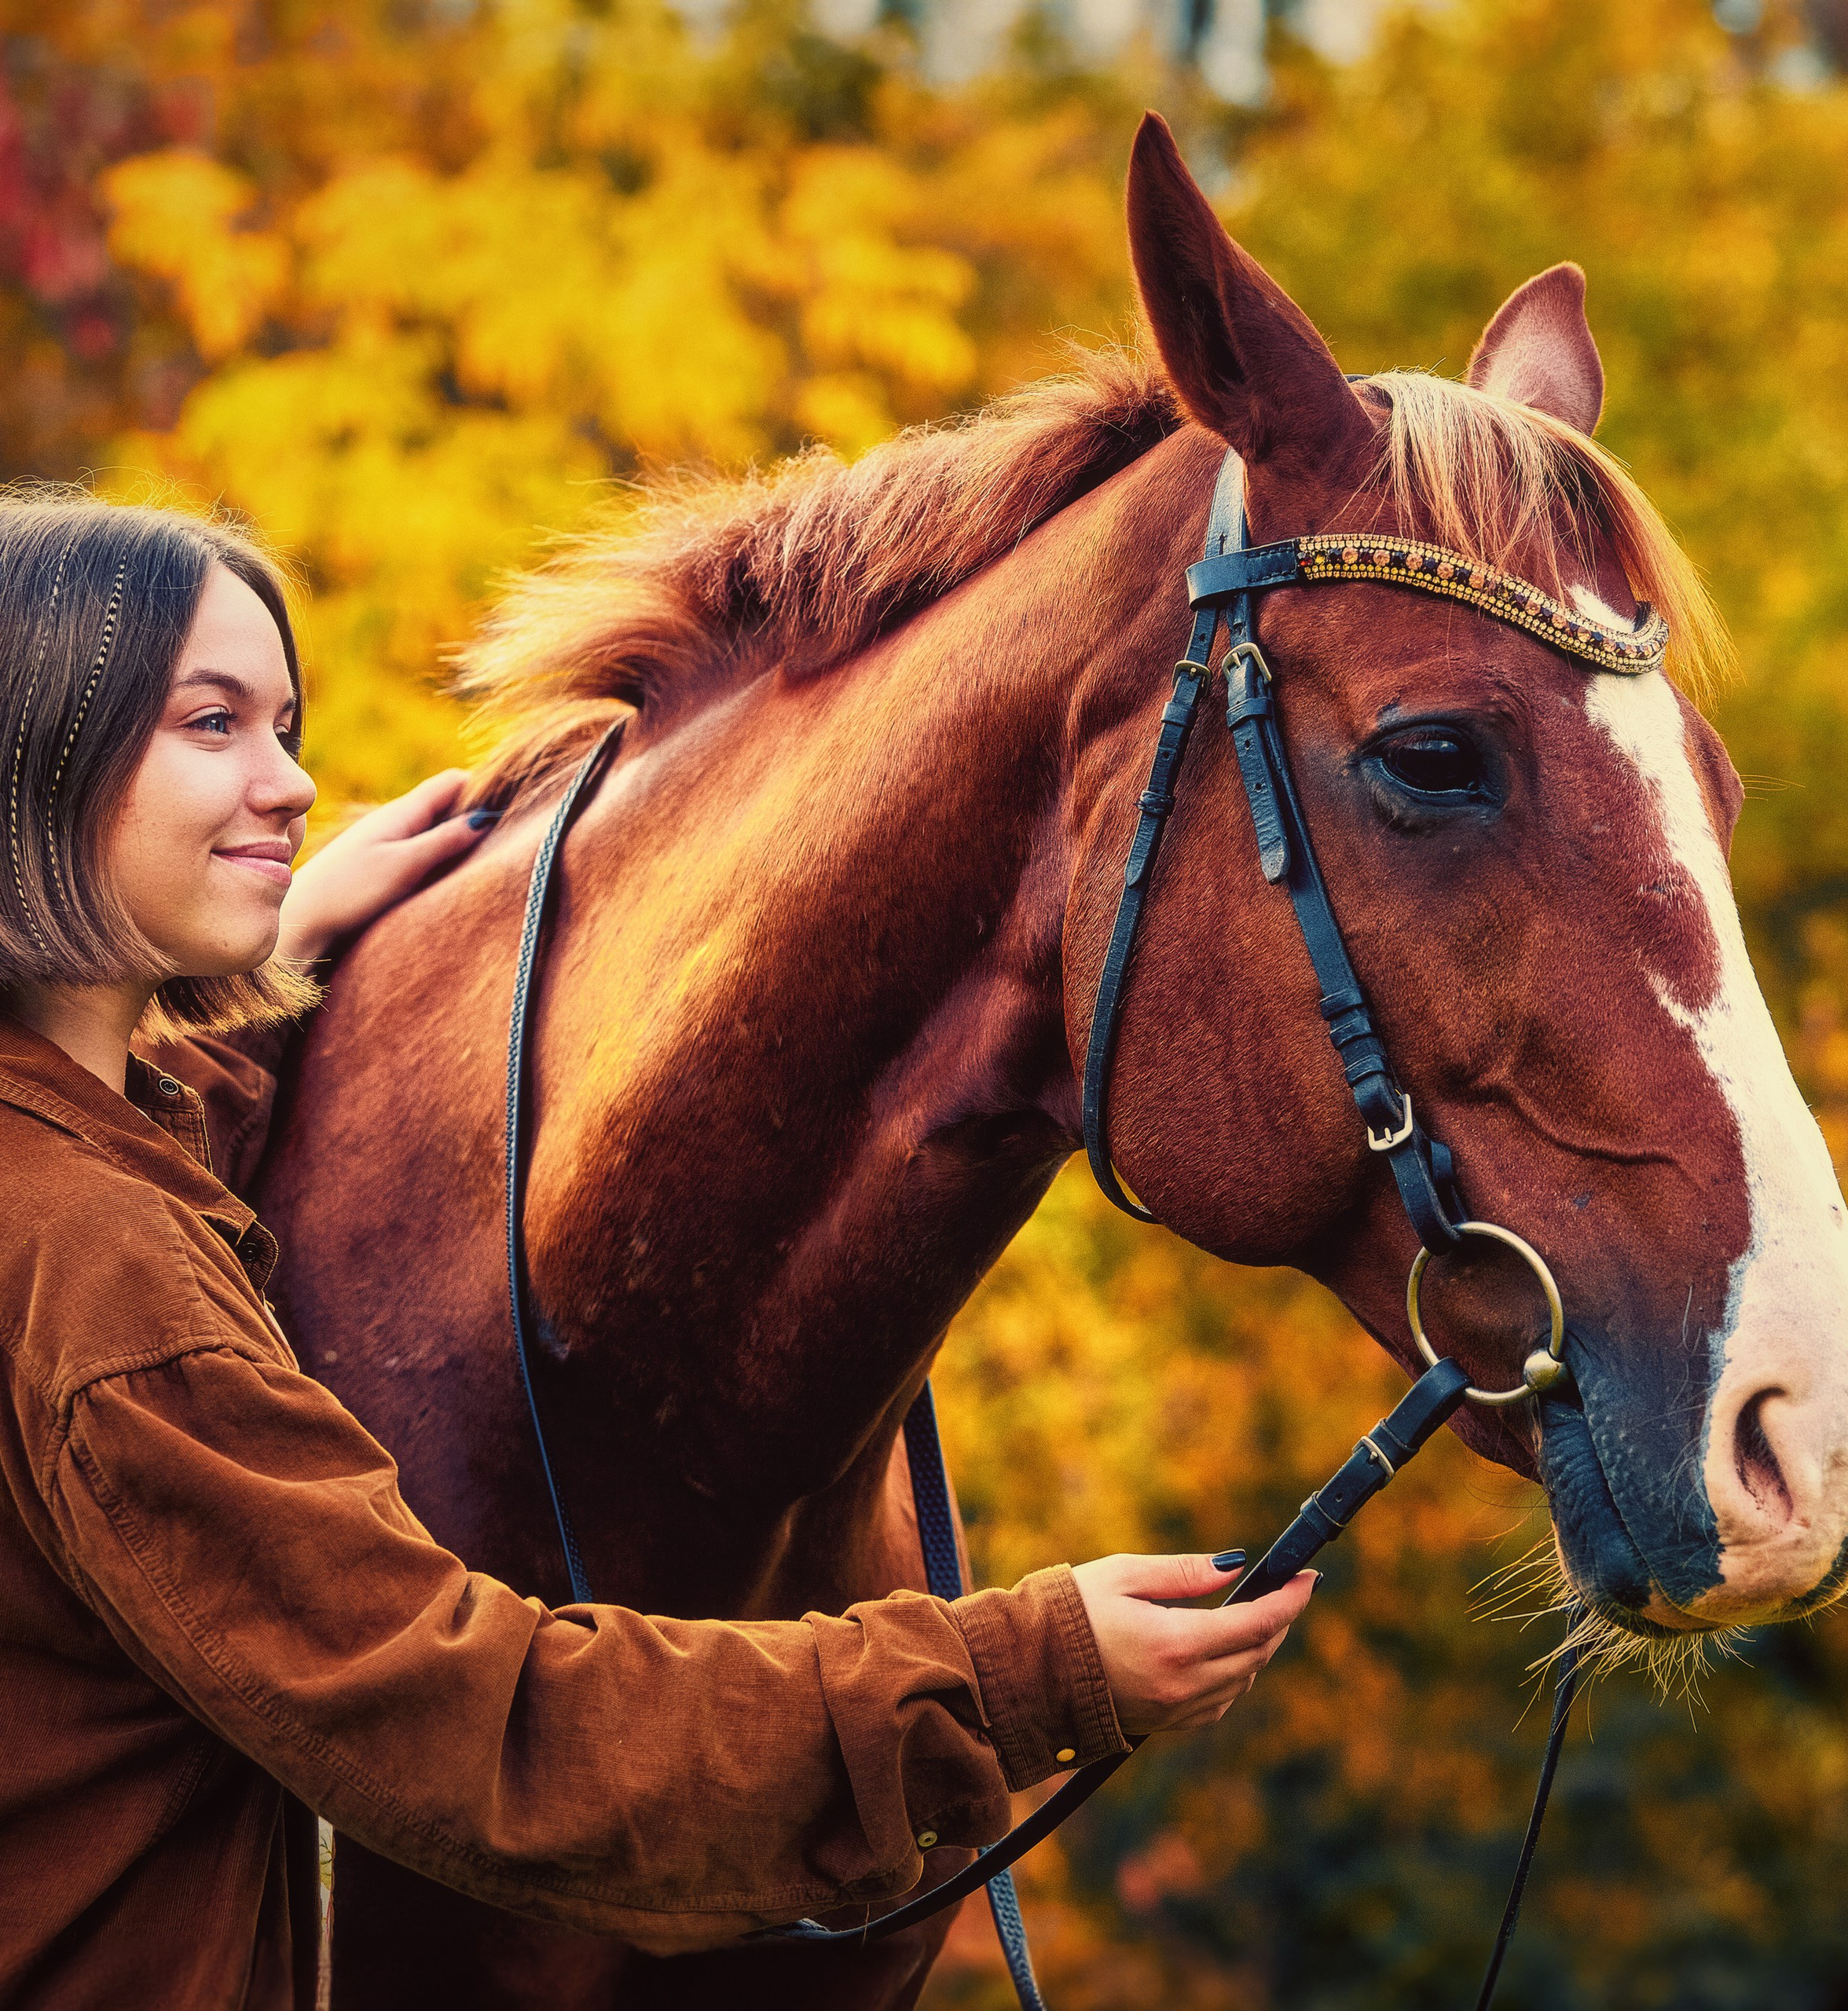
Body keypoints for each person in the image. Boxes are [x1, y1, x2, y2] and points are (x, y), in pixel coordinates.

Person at [0, 494, 1314, 2009]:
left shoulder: (70, 1171)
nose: (291, 784)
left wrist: (274, 955)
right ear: (38, 757)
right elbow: (480, 1733)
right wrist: (1023, 1677)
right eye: (211, 724)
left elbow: (140, 1160)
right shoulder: (103, 1277)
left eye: (285, 724)